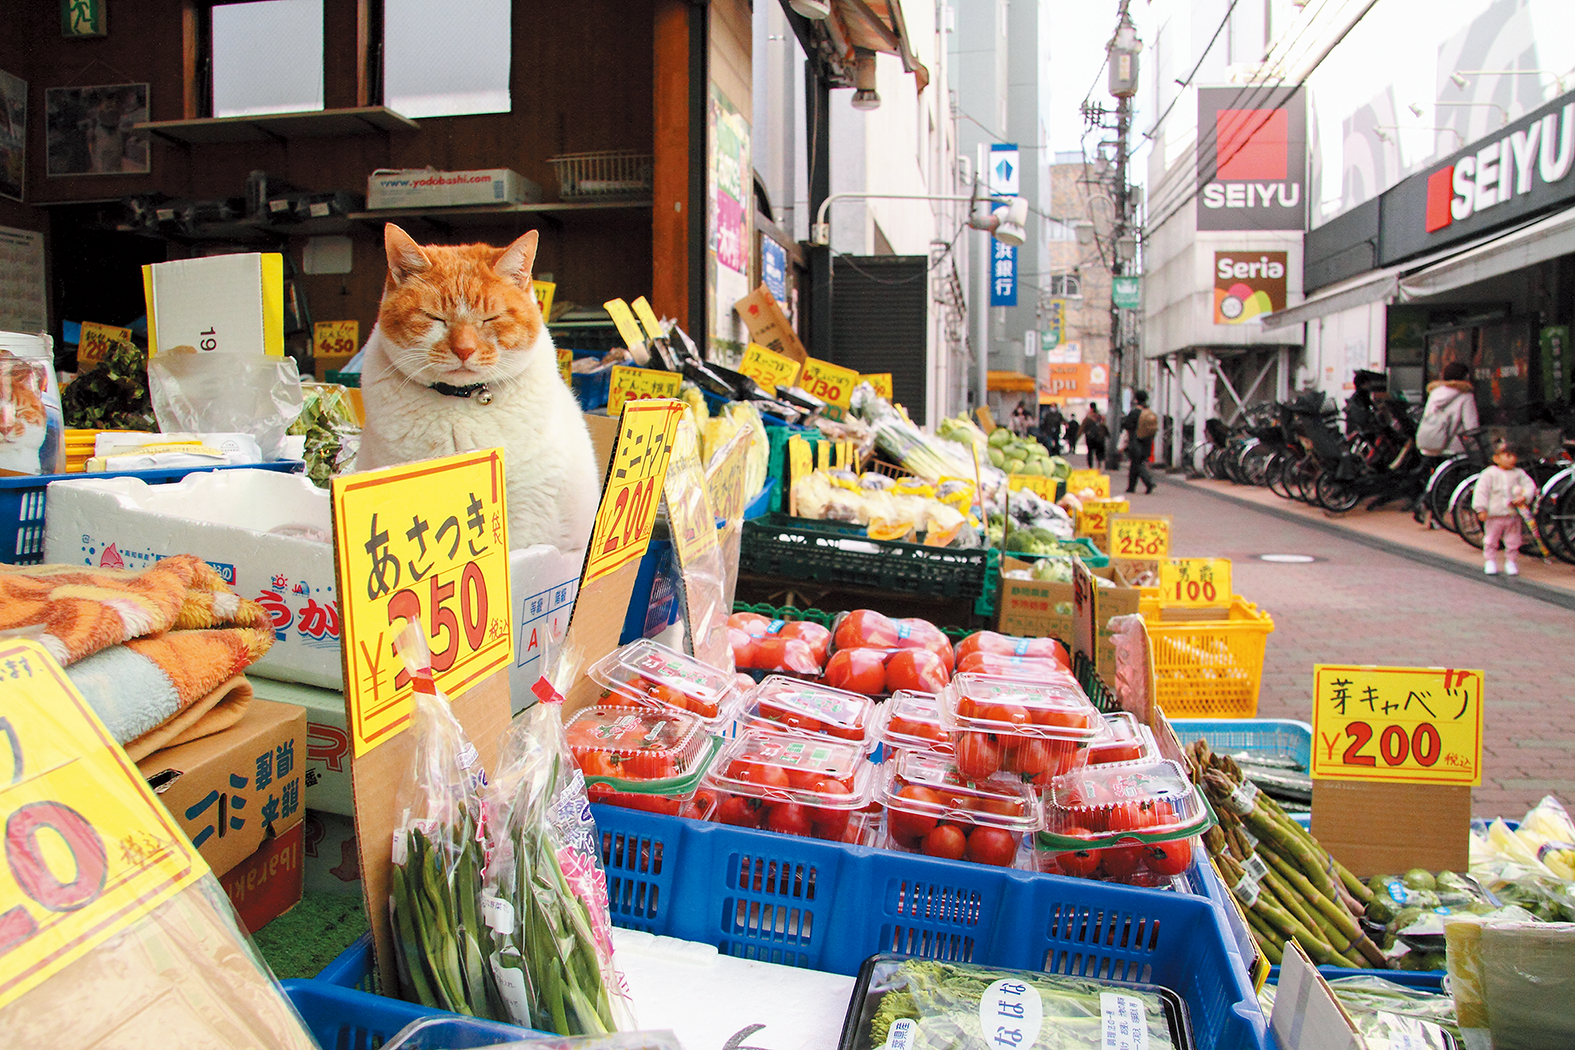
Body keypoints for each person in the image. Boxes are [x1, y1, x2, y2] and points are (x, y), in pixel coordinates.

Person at [1473, 441, 1537, 576]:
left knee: (1513, 540)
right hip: (1494, 514)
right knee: (1491, 539)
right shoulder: (1489, 474)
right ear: (1496, 458)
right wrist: (1481, 508)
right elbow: (1481, 492)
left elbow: (1530, 486)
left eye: (1513, 456)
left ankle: (1511, 561)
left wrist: (1524, 496)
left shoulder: (1519, 473)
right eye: (1507, 455)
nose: (1512, 459)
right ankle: (1490, 560)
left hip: (1512, 514)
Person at [1416, 362, 1479, 457]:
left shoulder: (1434, 393)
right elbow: (1471, 426)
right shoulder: (1466, 395)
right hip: (1455, 449)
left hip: (1430, 445)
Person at [1120, 391, 1159, 494]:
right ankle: (1131, 487)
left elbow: (1126, 424)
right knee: (1135, 464)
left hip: (1136, 441)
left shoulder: (1135, 412)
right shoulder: (1149, 412)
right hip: (1147, 441)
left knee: (1137, 464)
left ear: (1136, 399)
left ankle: (1149, 482)